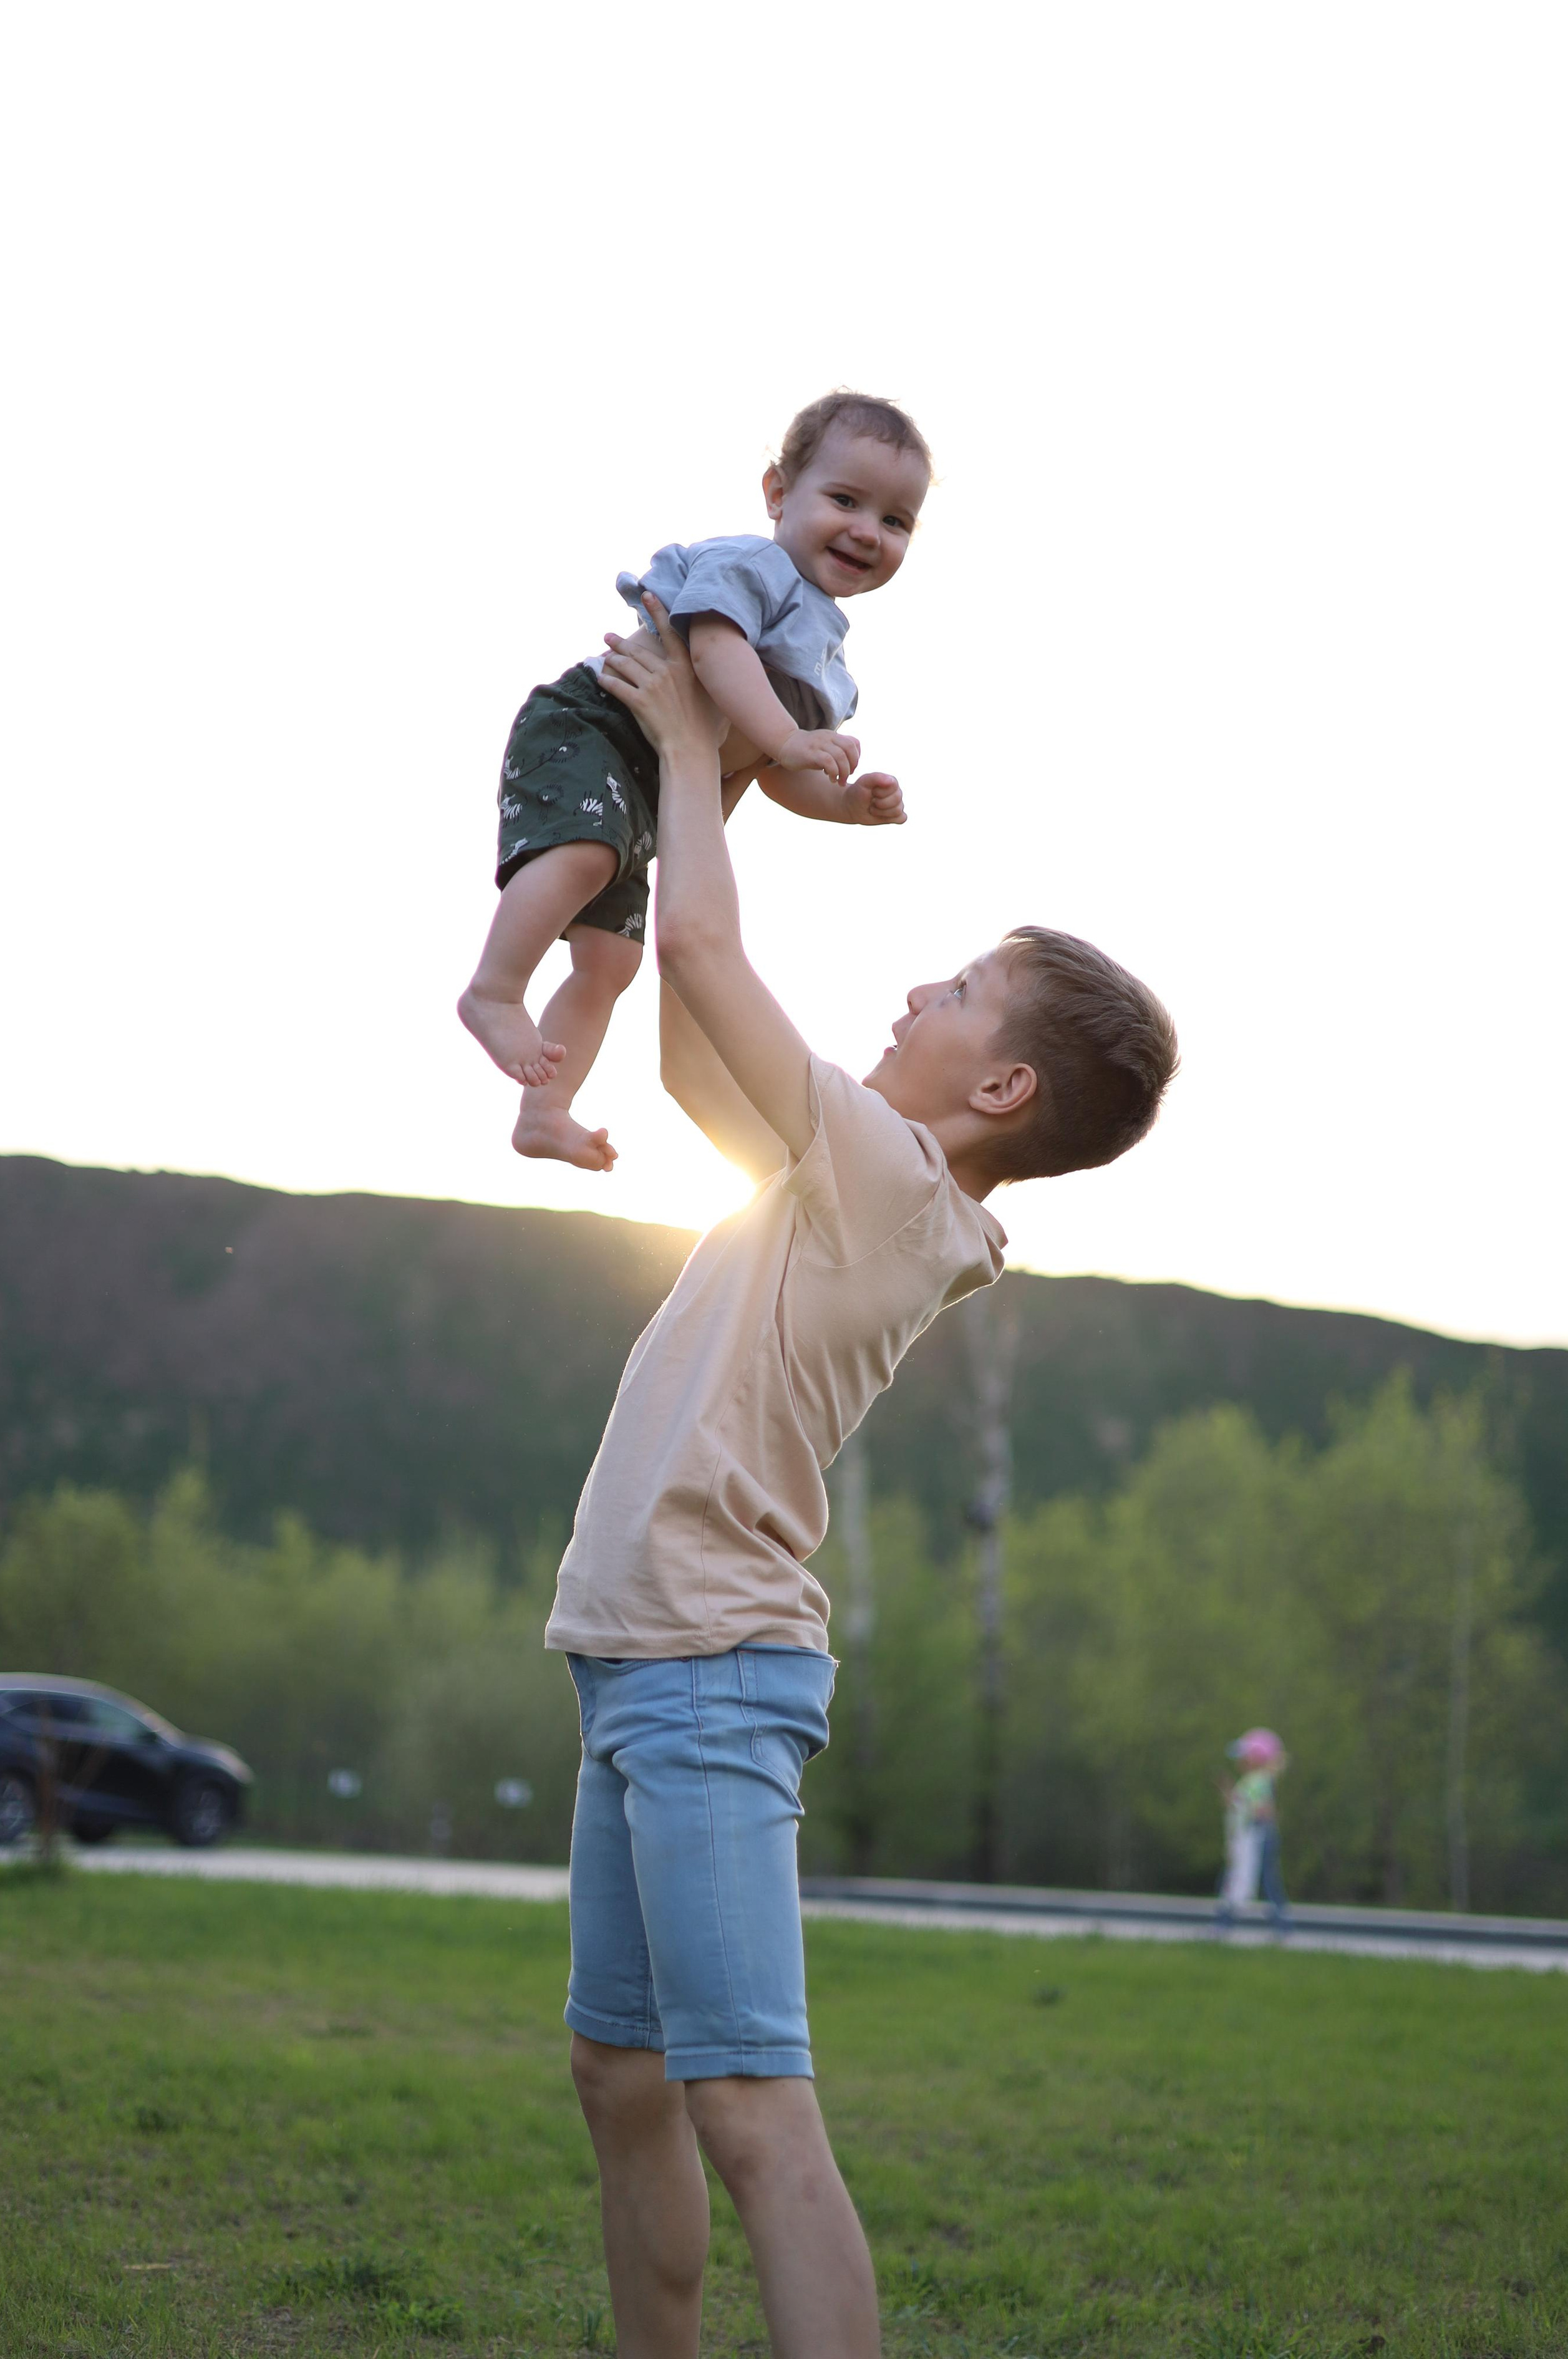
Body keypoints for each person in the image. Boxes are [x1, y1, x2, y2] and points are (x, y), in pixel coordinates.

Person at [544, 595, 1180, 2358]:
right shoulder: (854, 1176)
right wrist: (708, 785)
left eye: (959, 988)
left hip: (707, 1671)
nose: (917, 987)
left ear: (1005, 1082)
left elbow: (704, 961)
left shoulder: (895, 1185)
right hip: (638, 1660)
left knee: (750, 2109)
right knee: (620, 2073)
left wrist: (696, 747)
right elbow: (691, 1031)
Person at [458, 391, 929, 1172]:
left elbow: (770, 773)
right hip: (595, 730)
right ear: (778, 493)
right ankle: (495, 991)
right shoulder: (755, 568)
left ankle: (544, 1111)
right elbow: (713, 652)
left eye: (895, 520)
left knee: (610, 963)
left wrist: (845, 804)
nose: (866, 530)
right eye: (845, 500)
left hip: (650, 797)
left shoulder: (828, 660)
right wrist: (790, 735)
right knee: (586, 857)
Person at [1215, 1728, 1290, 1930]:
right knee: (1257, 1881)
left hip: (1257, 1837)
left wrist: (1242, 1805)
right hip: (1253, 1837)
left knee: (1251, 1880)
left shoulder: (1258, 1781)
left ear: (1256, 1758)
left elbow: (1263, 1810)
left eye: (1244, 1755)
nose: (1239, 1760)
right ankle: (1225, 1922)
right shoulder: (1252, 1780)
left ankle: (1224, 1923)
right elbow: (1241, 1805)